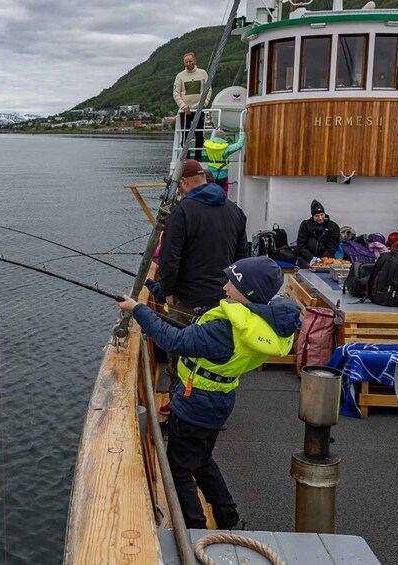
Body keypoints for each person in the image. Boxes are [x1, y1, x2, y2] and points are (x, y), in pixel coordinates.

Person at [118, 256, 300, 530]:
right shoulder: (254, 322)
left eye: (232, 282)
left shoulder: (224, 329)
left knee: (178, 471)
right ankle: (229, 518)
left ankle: (195, 531)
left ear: (248, 293)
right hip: (217, 401)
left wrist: (138, 310)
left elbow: (174, 340)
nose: (225, 287)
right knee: (202, 459)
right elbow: (198, 331)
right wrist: (157, 291)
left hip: (195, 405)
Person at [157, 159, 249, 414]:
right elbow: (243, 257)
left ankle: (178, 402)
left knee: (181, 350)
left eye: (178, 187)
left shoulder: (182, 212)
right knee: (219, 354)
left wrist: (168, 292)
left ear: (184, 182)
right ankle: (215, 405)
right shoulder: (235, 211)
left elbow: (169, 259)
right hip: (225, 300)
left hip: (188, 299)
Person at [173, 52, 210, 161]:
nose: (188, 64)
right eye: (186, 62)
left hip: (199, 109)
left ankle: (198, 158)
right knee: (185, 135)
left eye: (190, 61)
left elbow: (208, 89)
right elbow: (176, 93)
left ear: (195, 61)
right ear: (184, 63)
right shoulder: (180, 76)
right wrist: (184, 106)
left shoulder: (203, 73)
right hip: (185, 111)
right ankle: (186, 157)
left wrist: (204, 104)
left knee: (199, 135)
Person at [295, 199, 340, 268]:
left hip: (326, 257)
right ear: (312, 216)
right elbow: (301, 245)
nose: (320, 218)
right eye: (317, 216)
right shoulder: (305, 225)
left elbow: (333, 246)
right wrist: (312, 258)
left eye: (322, 215)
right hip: (308, 257)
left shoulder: (333, 227)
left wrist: (322, 260)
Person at [203, 128, 246, 195]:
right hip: (222, 174)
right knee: (222, 192)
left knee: (209, 192)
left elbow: (212, 139)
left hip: (211, 173)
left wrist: (214, 131)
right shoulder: (226, 149)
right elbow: (239, 145)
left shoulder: (209, 146)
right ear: (223, 139)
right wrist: (242, 133)